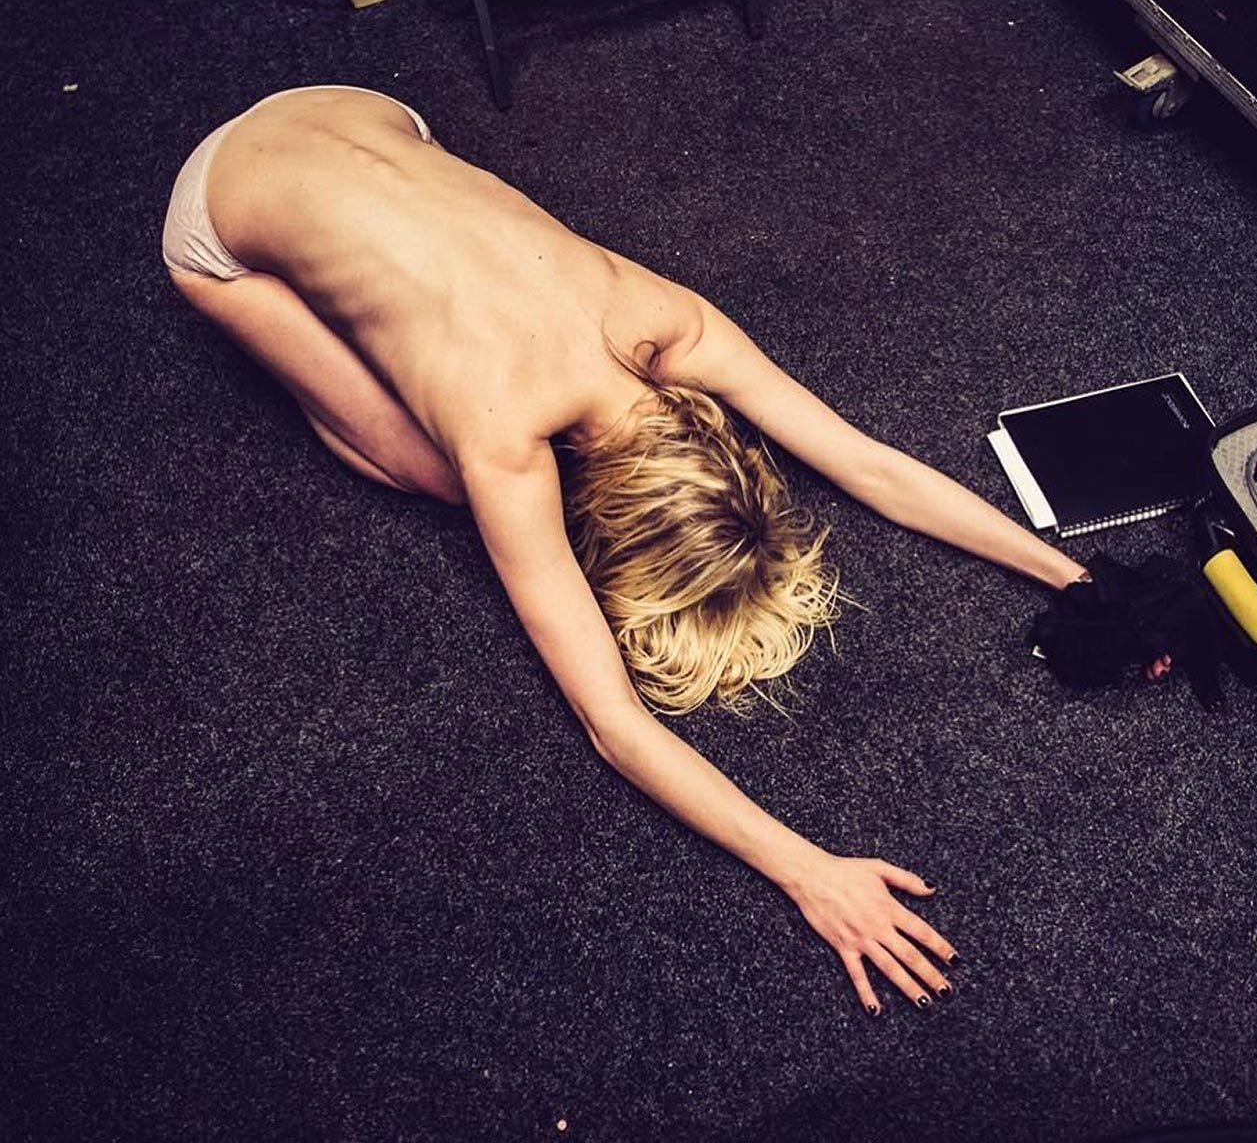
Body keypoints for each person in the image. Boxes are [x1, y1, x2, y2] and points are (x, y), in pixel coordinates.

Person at [163, 84, 1170, 1016]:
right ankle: (296, 294)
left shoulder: (664, 323)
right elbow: (613, 724)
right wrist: (806, 870)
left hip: (364, 112)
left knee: (445, 364)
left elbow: (870, 466)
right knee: (434, 474)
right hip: (216, 210)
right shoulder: (507, 439)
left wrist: (1083, 580)